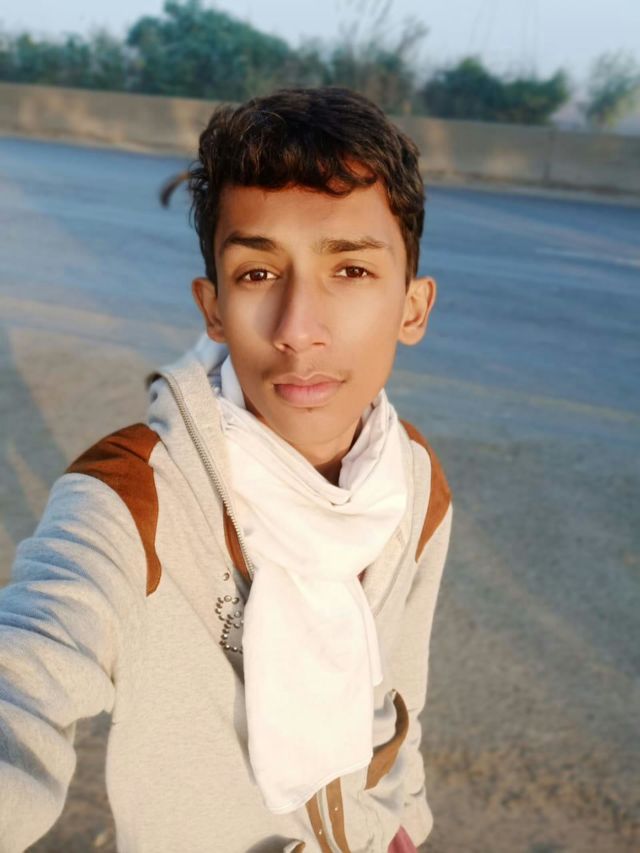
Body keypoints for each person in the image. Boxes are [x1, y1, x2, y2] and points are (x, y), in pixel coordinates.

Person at [0, 87, 452, 852]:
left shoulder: (414, 481)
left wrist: (404, 822)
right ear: (212, 308)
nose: (298, 330)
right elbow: (28, 665)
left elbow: (399, 697)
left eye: (349, 270)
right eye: (257, 274)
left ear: (413, 307)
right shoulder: (133, 496)